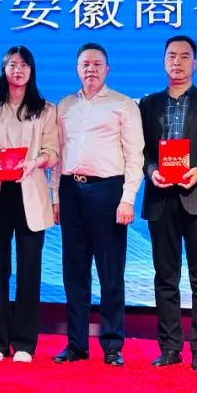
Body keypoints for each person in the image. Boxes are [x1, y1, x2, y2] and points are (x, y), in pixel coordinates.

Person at [51, 43, 145, 367]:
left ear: (107, 69)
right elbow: (58, 156)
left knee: (110, 272)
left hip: (108, 191)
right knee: (74, 273)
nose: (90, 69)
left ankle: (112, 345)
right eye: (85, 64)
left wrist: (127, 199)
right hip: (70, 191)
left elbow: (135, 156)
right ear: (77, 69)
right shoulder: (65, 105)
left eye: (96, 64)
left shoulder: (123, 105)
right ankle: (76, 344)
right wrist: (55, 197)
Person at [139, 35, 197, 371]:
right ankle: (170, 348)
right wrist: (151, 170)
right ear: (163, 61)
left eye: (185, 56)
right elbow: (140, 151)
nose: (177, 62)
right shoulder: (147, 104)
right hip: (160, 198)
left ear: (195, 63)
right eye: (171, 56)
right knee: (165, 278)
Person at [0, 46, 59, 363]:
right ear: (4, 70)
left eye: (24, 65)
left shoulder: (45, 109)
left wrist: (36, 161)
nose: (18, 70)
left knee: (29, 271)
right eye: (12, 64)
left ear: (31, 70)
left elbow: (52, 151)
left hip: (30, 194)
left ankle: (25, 343)